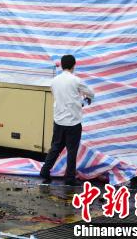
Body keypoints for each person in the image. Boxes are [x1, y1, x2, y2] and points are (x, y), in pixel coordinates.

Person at [40, 54, 95, 186]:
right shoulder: (76, 80)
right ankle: (70, 178)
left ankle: (45, 170)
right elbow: (91, 94)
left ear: (63, 65)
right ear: (73, 65)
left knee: (55, 147)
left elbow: (57, 96)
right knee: (71, 150)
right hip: (73, 122)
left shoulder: (54, 81)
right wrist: (82, 100)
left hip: (58, 120)